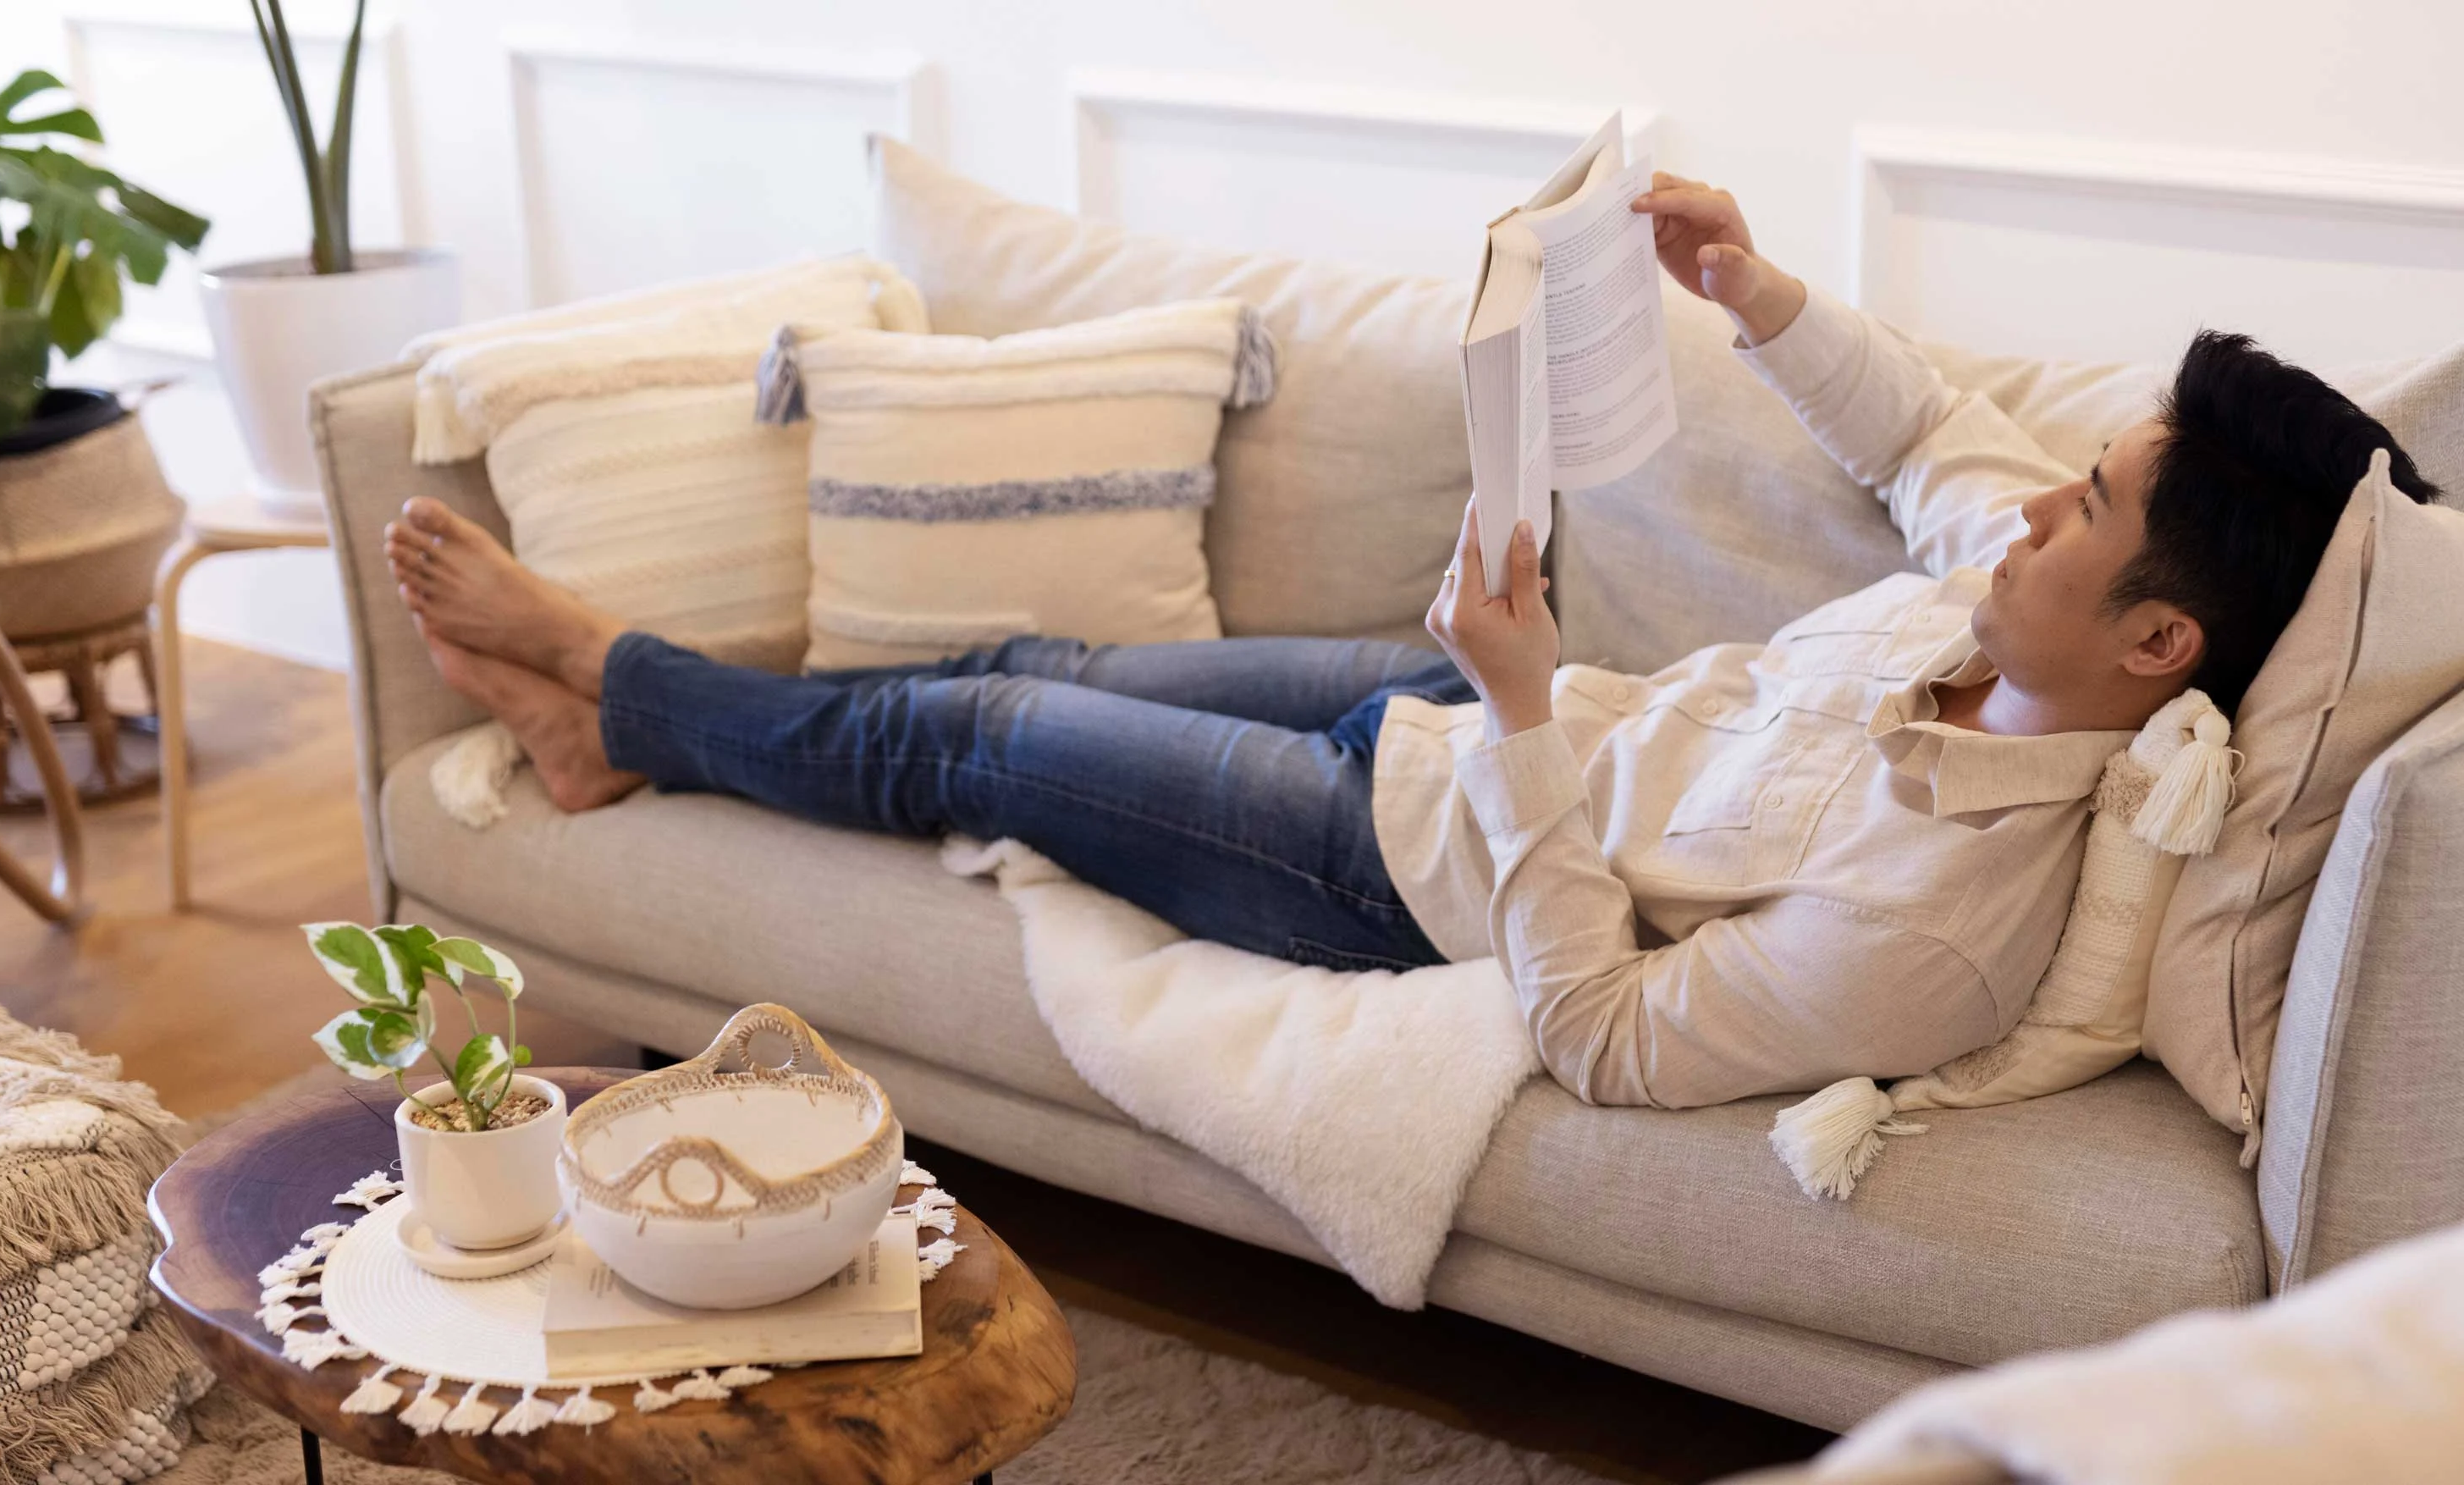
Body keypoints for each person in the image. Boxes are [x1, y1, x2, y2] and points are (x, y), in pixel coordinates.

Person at [383, 175, 2441, 1111]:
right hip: (1469, 715)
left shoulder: (1948, 921)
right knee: (1044, 649)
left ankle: (606, 674)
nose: (2036, 510)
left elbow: (1615, 1043)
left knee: (987, 736)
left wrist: (1532, 720)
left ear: (2162, 641)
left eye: (2088, 512)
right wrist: (1759, 288)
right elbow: (1923, 441)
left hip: (1406, 871)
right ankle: (621, 732)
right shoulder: (2025, 601)